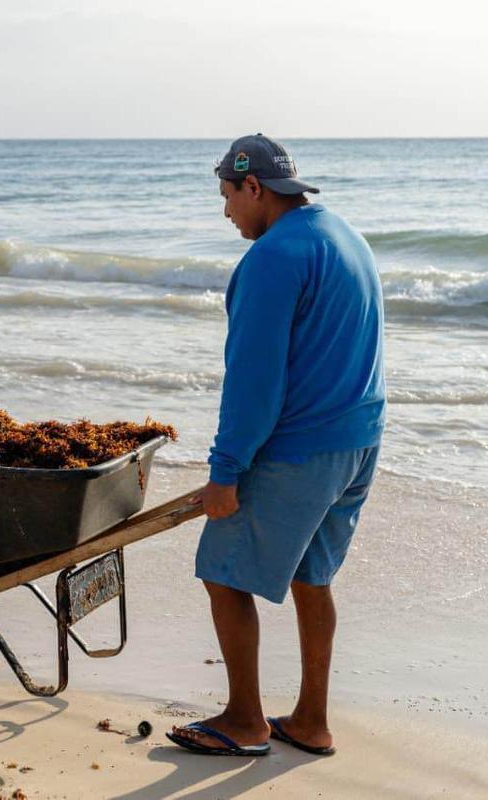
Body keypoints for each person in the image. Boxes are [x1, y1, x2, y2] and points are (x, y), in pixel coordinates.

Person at [167, 134, 386, 758]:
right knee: (312, 577)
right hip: (359, 439)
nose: (226, 212)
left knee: (221, 571)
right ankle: (311, 722)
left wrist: (226, 470)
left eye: (227, 196)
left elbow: (255, 380)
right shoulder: (345, 235)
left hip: (298, 449)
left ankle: (244, 721)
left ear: (254, 186)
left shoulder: (271, 258)